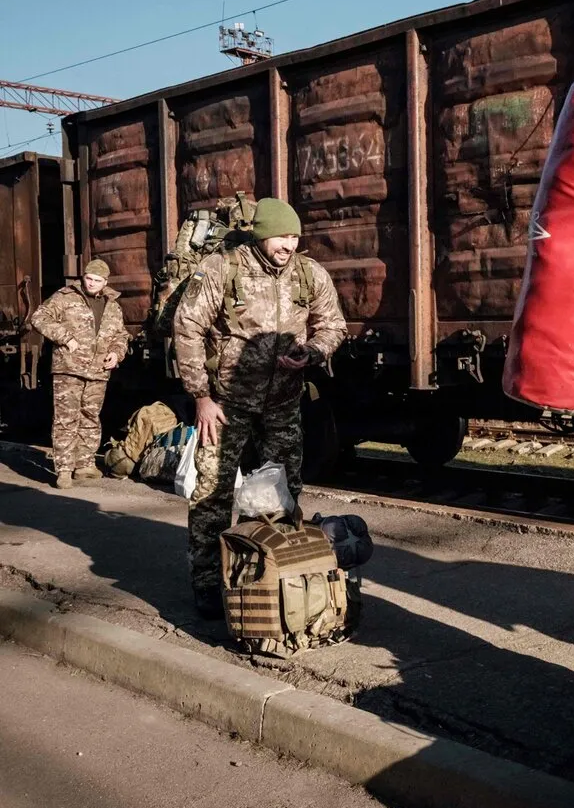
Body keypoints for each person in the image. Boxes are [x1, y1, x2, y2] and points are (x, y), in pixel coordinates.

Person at [172, 197, 346, 618]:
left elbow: (333, 324)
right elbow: (187, 326)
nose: (287, 244)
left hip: (283, 405)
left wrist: (314, 352)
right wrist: (201, 397)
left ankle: (276, 578)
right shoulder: (224, 268)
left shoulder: (309, 274)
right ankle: (209, 586)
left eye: (293, 236)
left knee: (284, 495)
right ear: (260, 235)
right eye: (279, 236)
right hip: (226, 406)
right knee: (212, 495)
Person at [29, 259, 129, 489]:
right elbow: (39, 317)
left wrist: (116, 354)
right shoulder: (65, 297)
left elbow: (121, 335)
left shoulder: (112, 305)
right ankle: (64, 470)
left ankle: (84, 465)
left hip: (98, 370)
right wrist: (65, 337)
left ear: (105, 282)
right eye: (88, 278)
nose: (91, 283)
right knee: (66, 419)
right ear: (83, 277)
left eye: (97, 280)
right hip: (68, 368)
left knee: (90, 417)